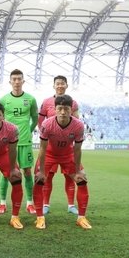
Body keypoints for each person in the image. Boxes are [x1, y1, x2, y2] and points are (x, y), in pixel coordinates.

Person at [33, 95, 91, 230]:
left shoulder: (78, 125)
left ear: (71, 109)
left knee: (82, 180)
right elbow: (42, 148)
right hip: (49, 155)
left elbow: (77, 150)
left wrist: (78, 171)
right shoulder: (47, 124)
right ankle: (40, 217)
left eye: (66, 109)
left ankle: (81, 217)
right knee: (39, 181)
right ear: (55, 109)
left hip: (68, 155)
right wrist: (41, 171)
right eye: (60, 109)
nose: (63, 112)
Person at [0, 69, 38, 215]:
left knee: (27, 172)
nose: (16, 81)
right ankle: (2, 203)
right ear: (10, 81)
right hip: (8, 144)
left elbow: (35, 118)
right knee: (6, 173)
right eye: (13, 79)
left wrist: (28, 130)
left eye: (19, 79)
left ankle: (30, 203)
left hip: (25, 142)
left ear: (23, 81)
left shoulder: (31, 99)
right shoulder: (3, 100)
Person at [38, 75, 80, 215]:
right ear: (54, 85)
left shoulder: (72, 102)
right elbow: (40, 120)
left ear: (66, 86)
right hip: (50, 146)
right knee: (47, 176)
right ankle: (45, 204)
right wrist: (47, 134)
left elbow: (76, 121)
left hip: (66, 147)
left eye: (63, 83)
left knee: (70, 176)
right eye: (58, 83)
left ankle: (71, 205)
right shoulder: (46, 102)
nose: (60, 86)